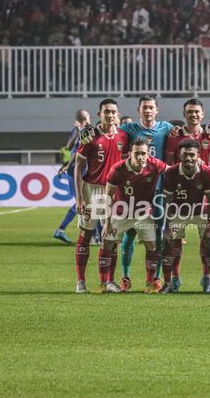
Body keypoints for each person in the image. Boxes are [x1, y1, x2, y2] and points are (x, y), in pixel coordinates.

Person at [164, 98, 210, 292]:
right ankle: (174, 279)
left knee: (207, 239)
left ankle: (207, 278)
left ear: (202, 114)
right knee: (174, 240)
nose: (193, 115)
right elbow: (169, 164)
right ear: (184, 114)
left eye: (197, 111)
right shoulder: (175, 136)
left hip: (203, 193)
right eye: (190, 112)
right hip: (180, 194)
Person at [73, 99, 129, 294]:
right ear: (100, 114)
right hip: (91, 190)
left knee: (111, 237)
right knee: (86, 235)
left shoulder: (124, 136)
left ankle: (108, 282)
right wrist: (79, 198)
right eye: (106, 112)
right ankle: (81, 282)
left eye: (113, 112)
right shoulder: (90, 137)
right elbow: (78, 168)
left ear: (118, 115)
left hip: (113, 191)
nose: (110, 115)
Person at [102, 139, 168, 293]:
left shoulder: (155, 165)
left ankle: (150, 283)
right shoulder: (117, 169)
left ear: (148, 154)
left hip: (143, 214)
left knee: (152, 246)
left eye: (143, 153)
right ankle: (108, 282)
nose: (140, 156)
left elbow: (172, 170)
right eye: (137, 153)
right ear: (129, 154)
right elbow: (107, 196)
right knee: (107, 244)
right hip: (121, 213)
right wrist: (107, 222)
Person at [54, 109, 91, 244]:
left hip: (78, 169)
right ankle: (61, 230)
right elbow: (71, 148)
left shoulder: (84, 132)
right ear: (85, 119)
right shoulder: (79, 131)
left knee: (87, 202)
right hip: (76, 171)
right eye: (88, 117)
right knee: (82, 203)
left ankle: (93, 235)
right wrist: (67, 165)